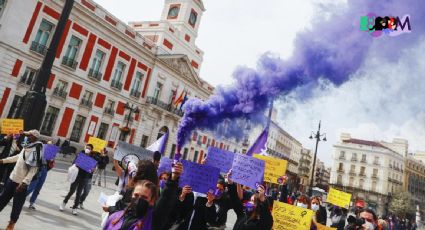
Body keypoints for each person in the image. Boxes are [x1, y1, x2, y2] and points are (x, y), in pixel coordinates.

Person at [103, 162, 183, 230]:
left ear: (152, 201)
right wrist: (110, 208)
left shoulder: (152, 220)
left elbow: (166, 199)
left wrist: (173, 179)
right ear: (131, 195)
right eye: (136, 195)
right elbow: (117, 209)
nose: (139, 199)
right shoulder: (119, 214)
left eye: (144, 197)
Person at [0, 130, 43, 230]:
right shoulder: (27, 146)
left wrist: (24, 183)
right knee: (2, 199)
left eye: (28, 136)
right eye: (26, 135)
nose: (26, 137)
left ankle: (11, 224)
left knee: (17, 205)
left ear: (34, 137)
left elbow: (33, 169)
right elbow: (18, 157)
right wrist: (3, 160)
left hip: (21, 184)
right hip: (12, 179)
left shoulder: (36, 150)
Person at [60, 144, 97, 215]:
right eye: (87, 148)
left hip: (85, 177)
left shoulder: (93, 158)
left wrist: (93, 169)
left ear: (91, 150)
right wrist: (77, 163)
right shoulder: (80, 154)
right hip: (77, 175)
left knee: (79, 193)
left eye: (89, 148)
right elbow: (74, 162)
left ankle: (75, 207)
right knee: (72, 191)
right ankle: (64, 203)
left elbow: (94, 168)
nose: (87, 149)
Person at [26, 140, 55, 210]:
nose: (49, 147)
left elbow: (52, 163)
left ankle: (31, 203)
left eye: (51, 146)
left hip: (44, 169)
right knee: (32, 187)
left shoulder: (51, 152)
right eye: (48, 145)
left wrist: (51, 160)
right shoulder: (40, 149)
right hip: (38, 168)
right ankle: (19, 197)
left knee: (38, 187)